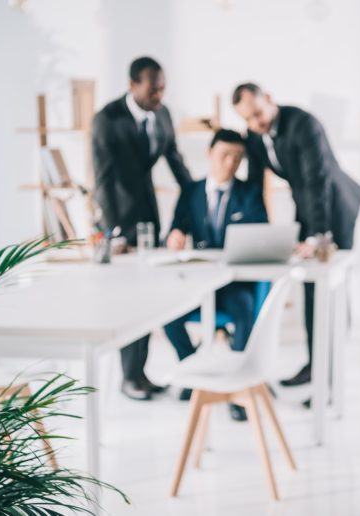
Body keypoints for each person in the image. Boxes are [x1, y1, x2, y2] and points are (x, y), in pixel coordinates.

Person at [233, 82, 360, 388]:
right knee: (308, 287)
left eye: (258, 113)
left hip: (335, 206)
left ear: (269, 99)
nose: (256, 123)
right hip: (306, 207)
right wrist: (257, 234)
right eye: (248, 119)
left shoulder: (303, 124)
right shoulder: (254, 135)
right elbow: (254, 186)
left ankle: (329, 378)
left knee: (329, 284)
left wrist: (319, 237)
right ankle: (315, 364)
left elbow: (317, 181)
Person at [92, 56, 192, 400]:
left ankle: (141, 373)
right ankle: (129, 377)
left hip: (150, 216)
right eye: (153, 89)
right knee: (129, 298)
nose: (159, 96)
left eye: (163, 88)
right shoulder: (107, 120)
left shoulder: (162, 115)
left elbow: (175, 161)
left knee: (149, 294)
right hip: (119, 218)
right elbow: (103, 180)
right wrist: (113, 231)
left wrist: (198, 197)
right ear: (132, 85)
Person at [164, 128, 268, 421]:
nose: (230, 163)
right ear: (209, 154)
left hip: (234, 285)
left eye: (238, 158)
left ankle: (238, 384)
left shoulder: (249, 193)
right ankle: (194, 373)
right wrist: (173, 237)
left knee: (246, 310)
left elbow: (262, 235)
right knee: (169, 315)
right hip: (198, 285)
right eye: (225, 155)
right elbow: (174, 230)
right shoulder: (190, 191)